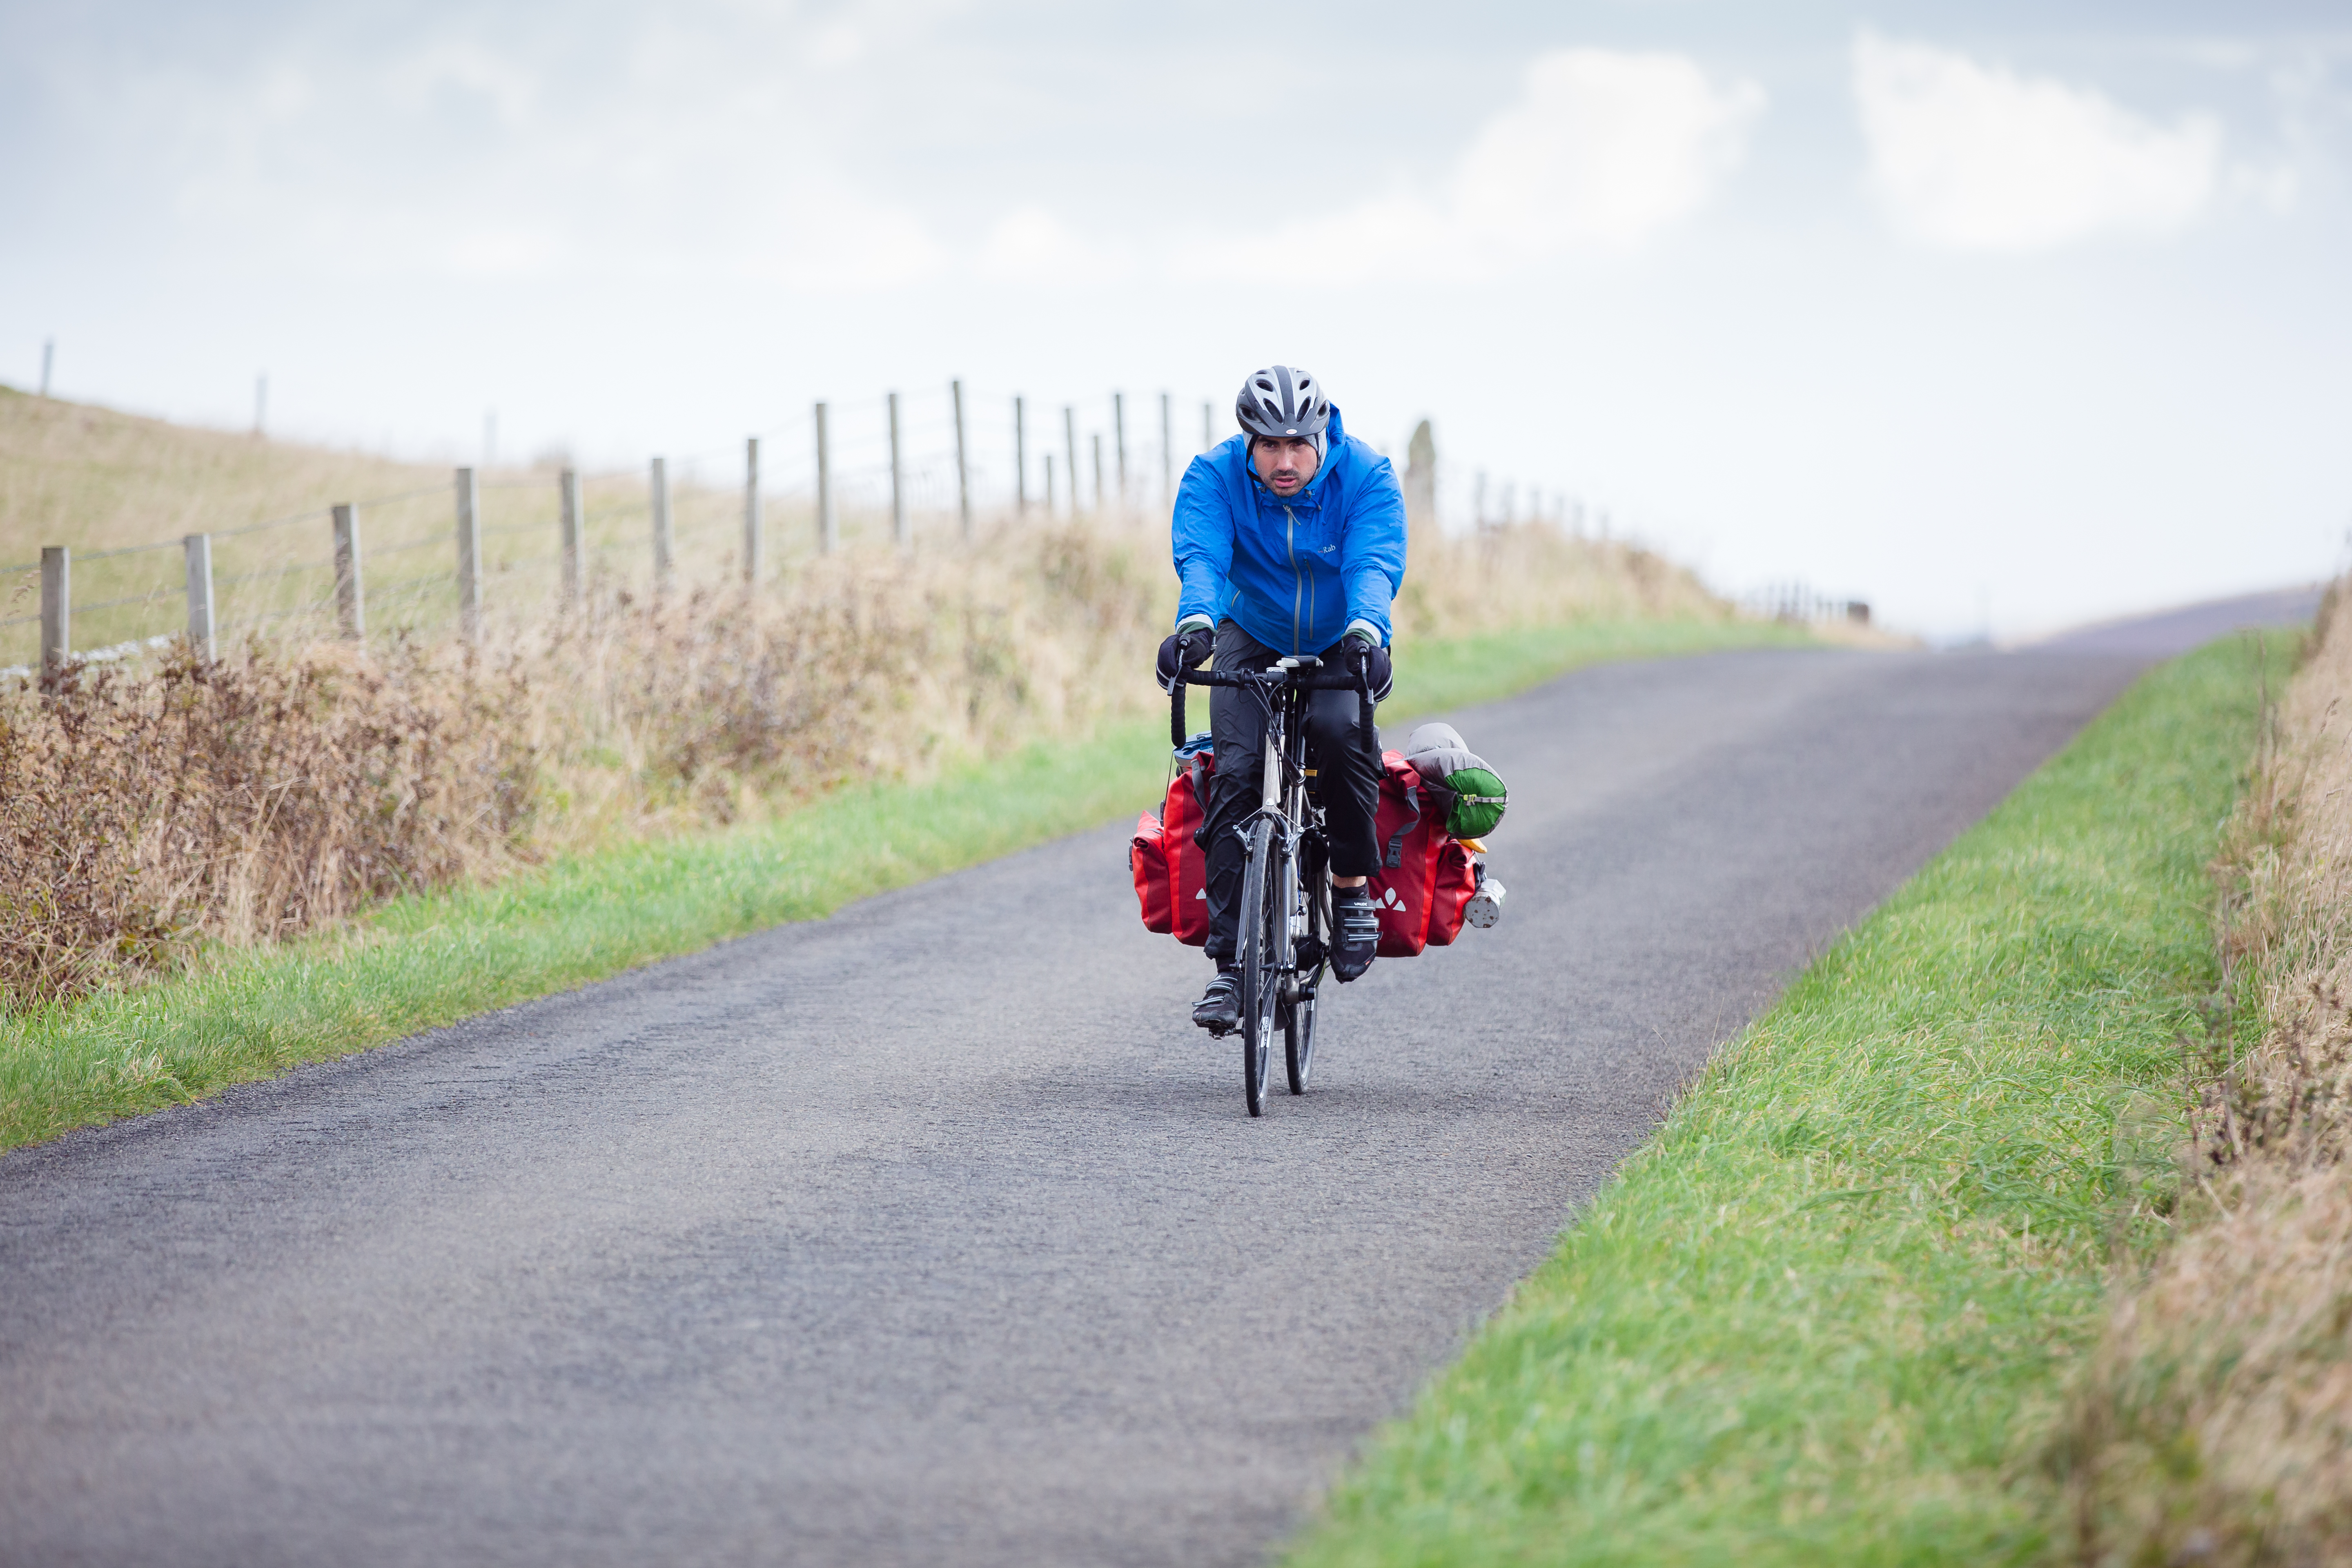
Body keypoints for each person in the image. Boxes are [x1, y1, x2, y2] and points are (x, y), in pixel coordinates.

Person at [1156, 365, 1405, 1034]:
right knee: (1235, 775)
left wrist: (1365, 633)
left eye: (1300, 444)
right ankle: (1231, 972)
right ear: (1248, 442)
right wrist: (1195, 627)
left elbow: (1372, 563)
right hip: (1251, 628)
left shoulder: (1367, 476)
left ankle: (1352, 891)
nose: (1285, 461)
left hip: (1340, 634)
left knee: (1339, 735)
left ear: (1324, 436)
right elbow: (1203, 556)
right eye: (1269, 445)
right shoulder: (1213, 477)